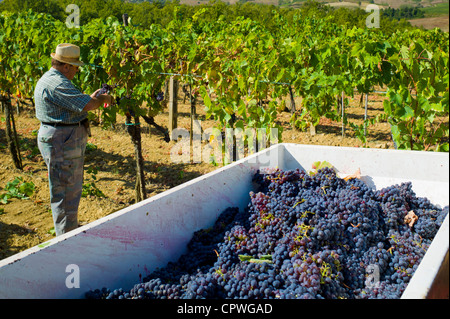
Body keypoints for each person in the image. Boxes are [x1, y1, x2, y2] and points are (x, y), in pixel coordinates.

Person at [34, 43, 112, 236]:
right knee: (67, 191)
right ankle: (66, 239)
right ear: (66, 65)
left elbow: (77, 103)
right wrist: (103, 100)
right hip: (63, 142)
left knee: (64, 188)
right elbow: (86, 106)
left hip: (60, 138)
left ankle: (67, 230)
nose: (77, 70)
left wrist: (92, 98)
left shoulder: (52, 79)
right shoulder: (58, 83)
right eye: (76, 66)